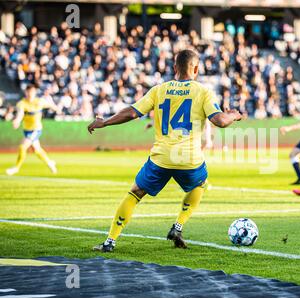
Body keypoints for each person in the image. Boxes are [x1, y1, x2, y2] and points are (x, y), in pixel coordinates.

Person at [87, 49, 242, 252]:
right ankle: (178, 226)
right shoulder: (203, 91)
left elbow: (132, 112)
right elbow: (220, 121)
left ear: (175, 68)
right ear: (196, 69)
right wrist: (234, 115)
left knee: (135, 193)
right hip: (189, 159)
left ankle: (110, 242)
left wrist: (105, 122)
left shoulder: (159, 90)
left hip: (161, 158)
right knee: (200, 184)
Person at [5, 84, 58, 176]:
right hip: (26, 130)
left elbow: (50, 105)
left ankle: (16, 168)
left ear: (34, 93)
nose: (30, 94)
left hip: (36, 129)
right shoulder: (22, 103)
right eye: (28, 92)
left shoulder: (39, 102)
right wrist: (17, 121)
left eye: (32, 92)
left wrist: (55, 107)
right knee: (37, 150)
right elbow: (20, 114)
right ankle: (50, 163)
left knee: (23, 147)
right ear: (26, 92)